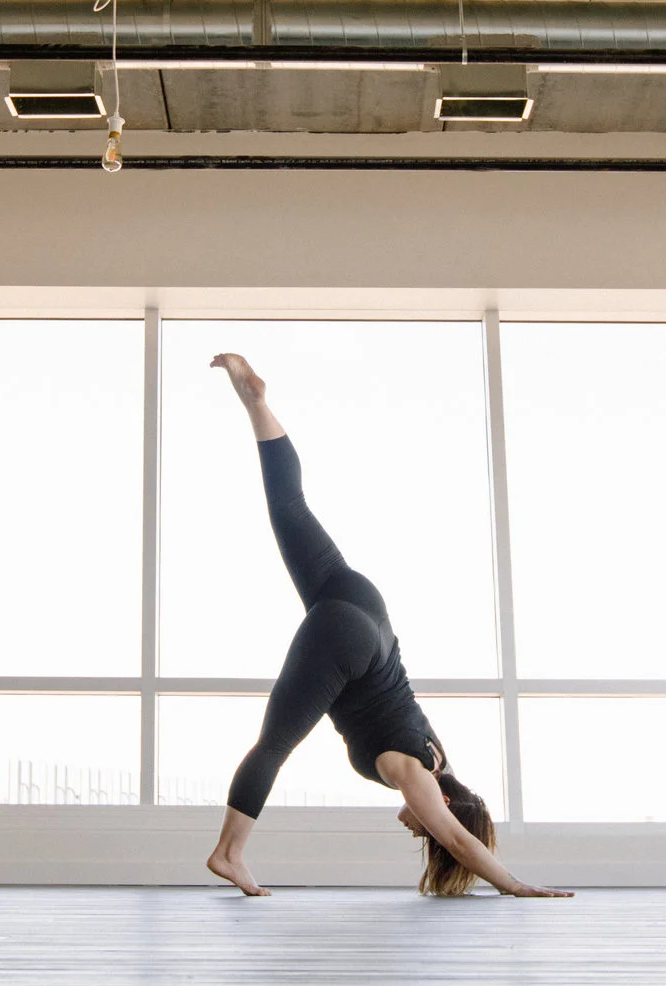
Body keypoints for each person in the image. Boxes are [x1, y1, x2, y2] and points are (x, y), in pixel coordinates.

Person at [202, 353, 570, 899]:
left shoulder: (437, 752)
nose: (418, 830)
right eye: (428, 832)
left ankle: (256, 401)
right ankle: (228, 853)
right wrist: (515, 885)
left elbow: (458, 830)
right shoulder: (419, 775)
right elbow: (463, 841)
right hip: (348, 640)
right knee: (273, 745)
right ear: (443, 804)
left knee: (290, 508)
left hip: (368, 611)